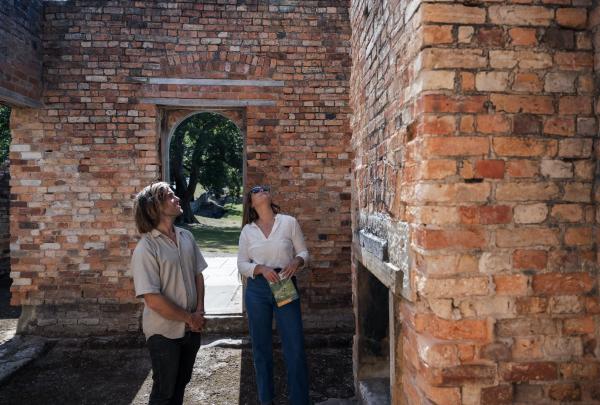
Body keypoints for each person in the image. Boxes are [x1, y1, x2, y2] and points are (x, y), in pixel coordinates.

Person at [131, 182, 208, 405]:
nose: (177, 199)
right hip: (163, 333)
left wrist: (199, 311)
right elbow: (152, 299)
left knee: (181, 383)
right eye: (169, 196)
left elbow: (198, 275)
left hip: (192, 328)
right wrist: (189, 318)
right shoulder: (146, 248)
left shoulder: (186, 237)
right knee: (164, 391)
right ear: (154, 207)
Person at [237, 184, 310, 405]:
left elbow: (304, 252)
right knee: (261, 348)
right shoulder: (248, 231)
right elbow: (241, 264)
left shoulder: (288, 222)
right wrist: (259, 269)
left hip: (284, 285)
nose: (263, 190)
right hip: (258, 290)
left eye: (266, 188)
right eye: (256, 190)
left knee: (294, 347)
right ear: (251, 201)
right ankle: (266, 400)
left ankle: (299, 401)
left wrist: (297, 261)